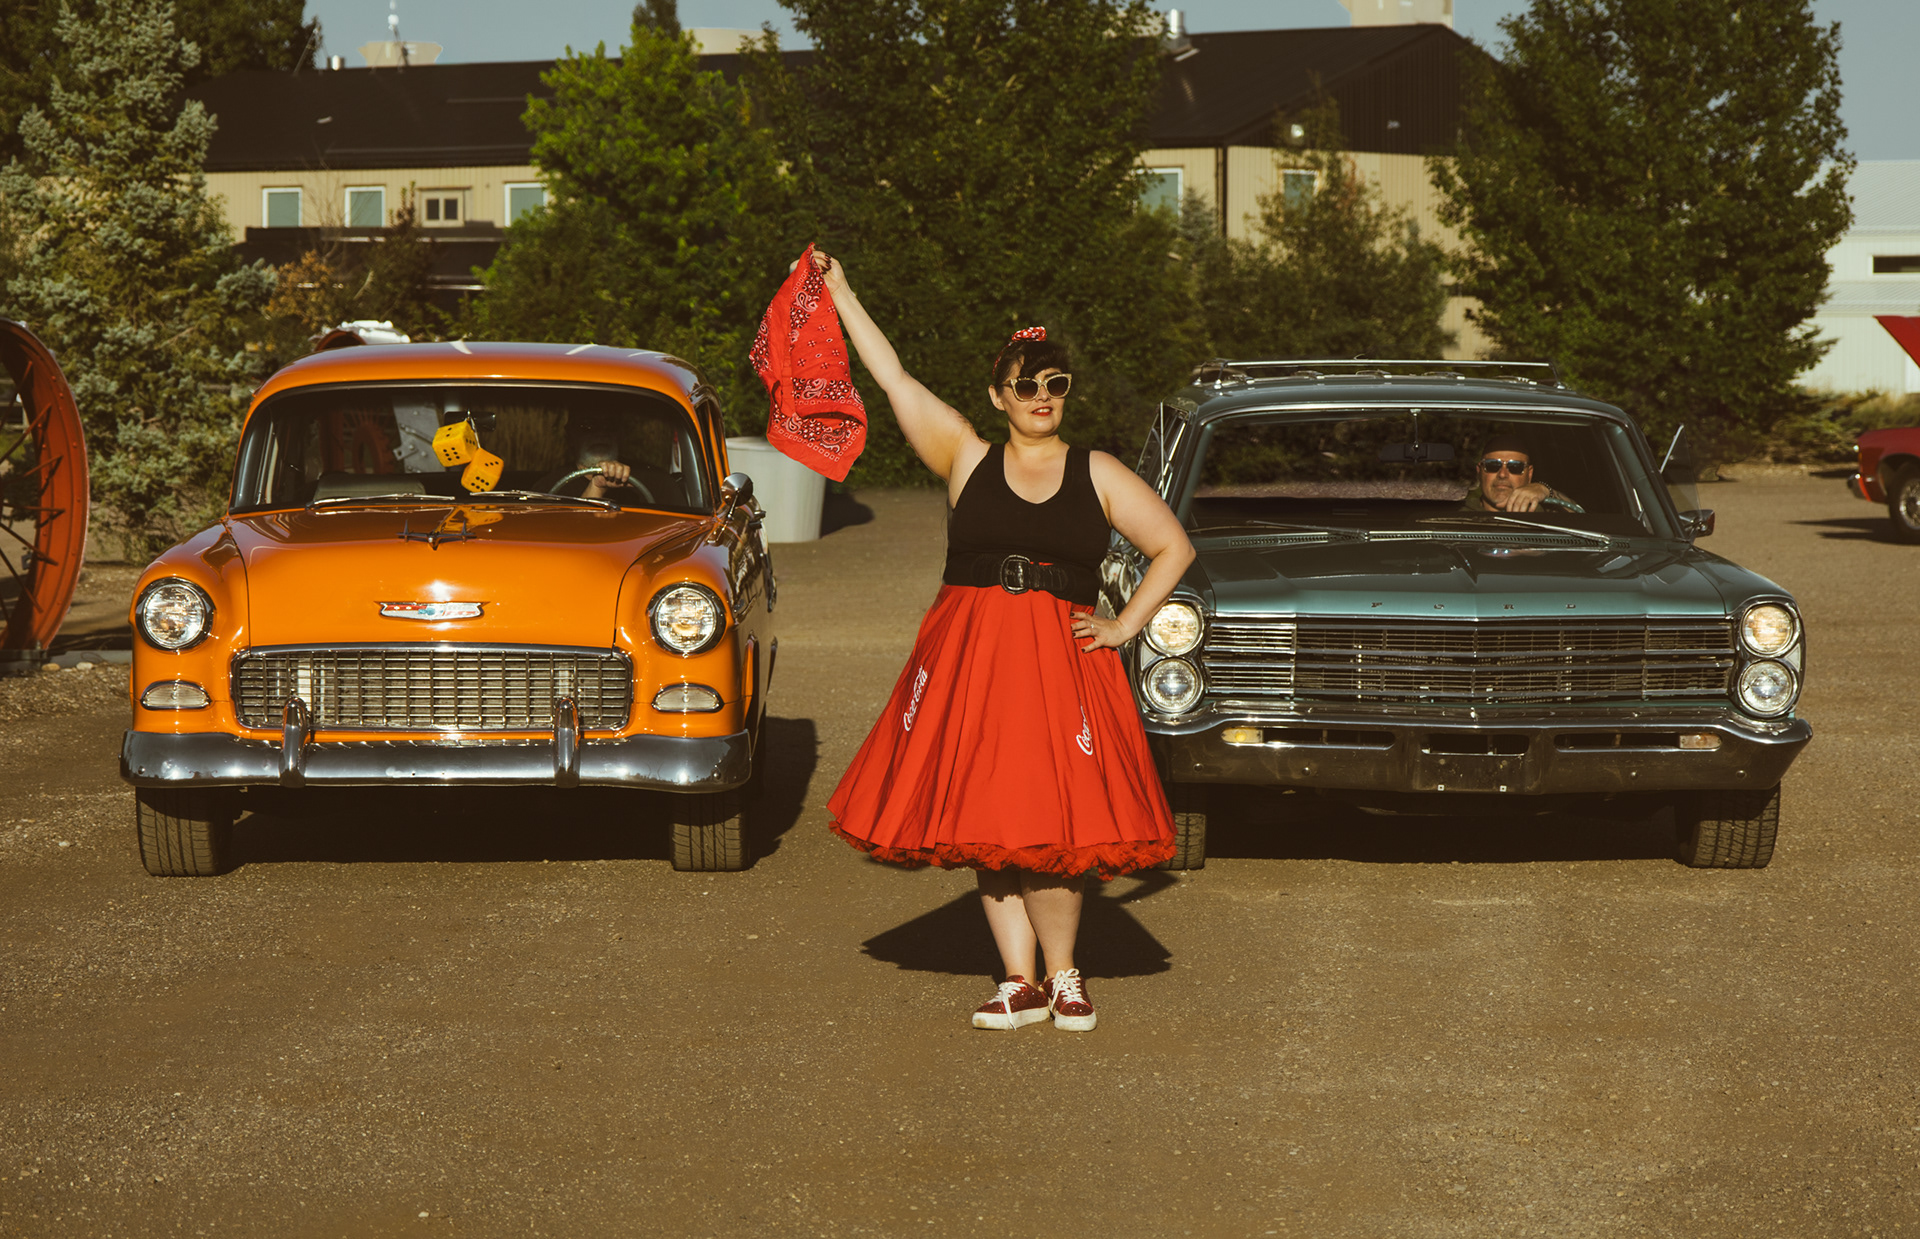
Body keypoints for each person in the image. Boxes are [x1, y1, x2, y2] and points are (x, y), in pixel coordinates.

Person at [815, 250, 1195, 1033]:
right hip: (973, 660)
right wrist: (841, 291)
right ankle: (1019, 981)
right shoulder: (965, 455)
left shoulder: (1097, 470)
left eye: (1055, 383)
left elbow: (1173, 547)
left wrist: (1125, 625)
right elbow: (892, 377)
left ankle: (1065, 975)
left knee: (1052, 823)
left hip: (1061, 665)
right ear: (999, 396)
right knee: (988, 818)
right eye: (1026, 385)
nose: (1042, 396)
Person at [1461, 435, 1583, 513]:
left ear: (1529, 474)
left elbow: (1581, 519)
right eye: (1492, 465)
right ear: (1479, 471)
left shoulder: (1544, 515)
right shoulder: (1457, 514)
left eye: (1515, 467)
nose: (1502, 474)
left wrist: (1546, 491)